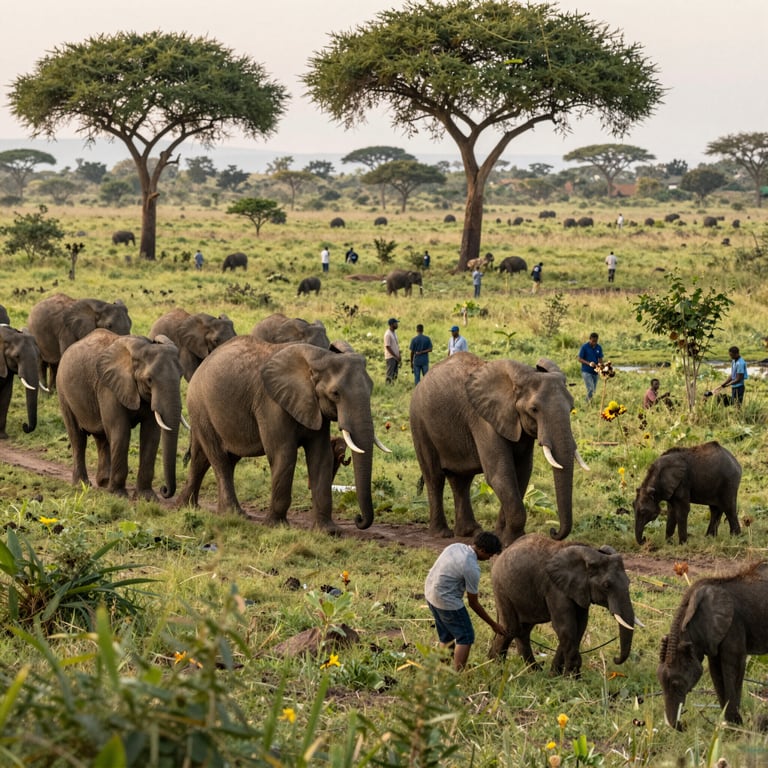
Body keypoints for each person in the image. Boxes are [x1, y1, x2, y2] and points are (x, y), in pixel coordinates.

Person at [424, 531, 505, 671]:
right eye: (489, 555)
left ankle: (441, 671)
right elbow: (473, 603)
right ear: (482, 550)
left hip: (430, 593)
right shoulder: (471, 567)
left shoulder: (456, 546)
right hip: (446, 601)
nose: (489, 558)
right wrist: (493, 624)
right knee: (466, 637)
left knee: (446, 636)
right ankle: (457, 674)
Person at [577, 332, 604, 403]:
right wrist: (589, 363)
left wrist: (600, 366)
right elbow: (579, 359)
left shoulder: (599, 347)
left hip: (595, 372)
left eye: (596, 341)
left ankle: (590, 403)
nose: (594, 343)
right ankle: (586, 402)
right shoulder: (584, 347)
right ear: (590, 339)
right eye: (593, 341)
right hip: (586, 371)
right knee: (590, 389)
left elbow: (600, 358)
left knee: (594, 390)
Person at [384, 318, 401, 384]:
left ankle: (393, 386)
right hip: (391, 357)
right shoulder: (388, 334)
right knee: (390, 373)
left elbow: (396, 345)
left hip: (395, 356)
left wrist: (399, 355)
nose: (397, 325)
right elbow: (387, 346)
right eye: (395, 323)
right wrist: (395, 356)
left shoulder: (394, 333)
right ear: (391, 324)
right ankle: (388, 386)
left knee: (395, 373)